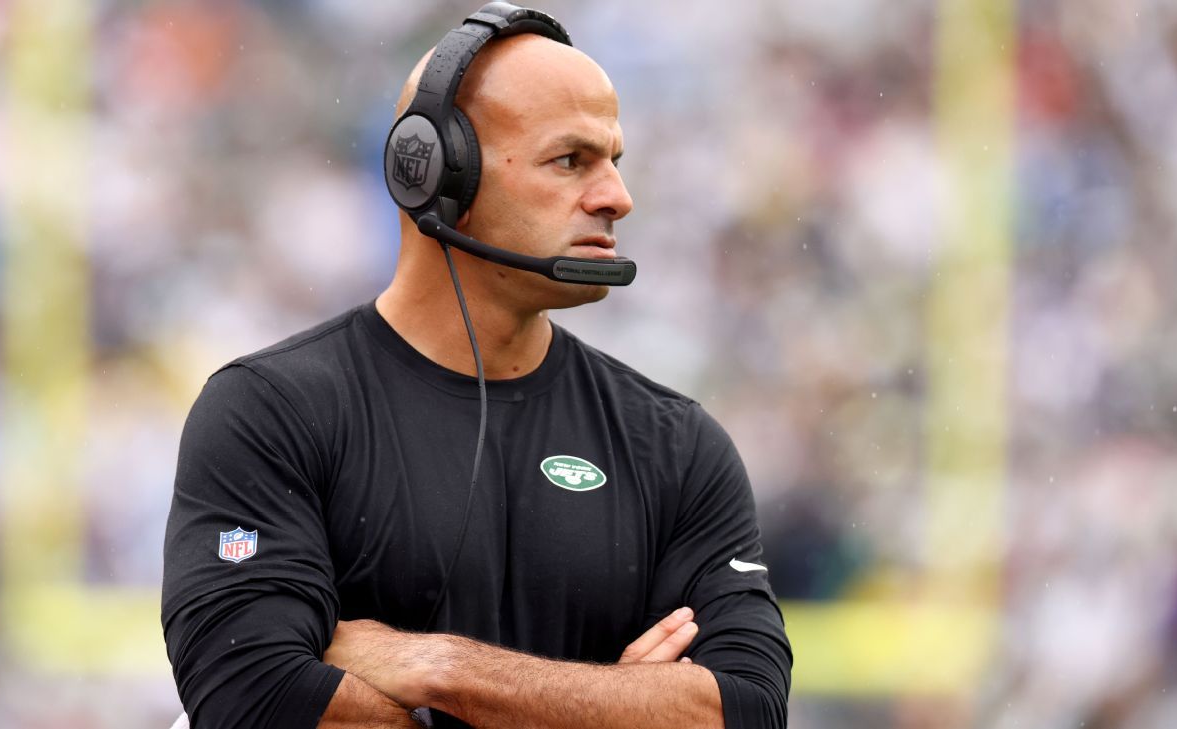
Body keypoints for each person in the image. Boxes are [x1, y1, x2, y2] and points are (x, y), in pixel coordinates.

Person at [161, 5, 792, 728]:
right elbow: (251, 696)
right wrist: (608, 708)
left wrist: (440, 670)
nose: (617, 197)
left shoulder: (676, 445)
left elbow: (746, 708)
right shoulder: (271, 411)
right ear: (435, 172)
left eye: (614, 161)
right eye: (571, 160)